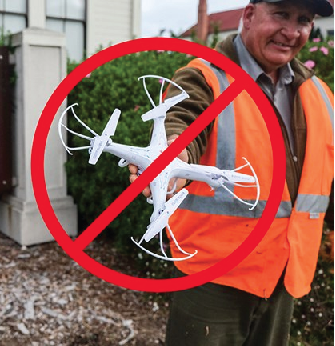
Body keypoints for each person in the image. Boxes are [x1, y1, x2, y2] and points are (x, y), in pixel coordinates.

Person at [130, 0, 334, 345]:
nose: (291, 31)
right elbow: (184, 122)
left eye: (304, 20)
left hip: (284, 274)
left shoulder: (319, 94)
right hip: (214, 279)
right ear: (250, 15)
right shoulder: (204, 77)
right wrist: (170, 161)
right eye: (281, 14)